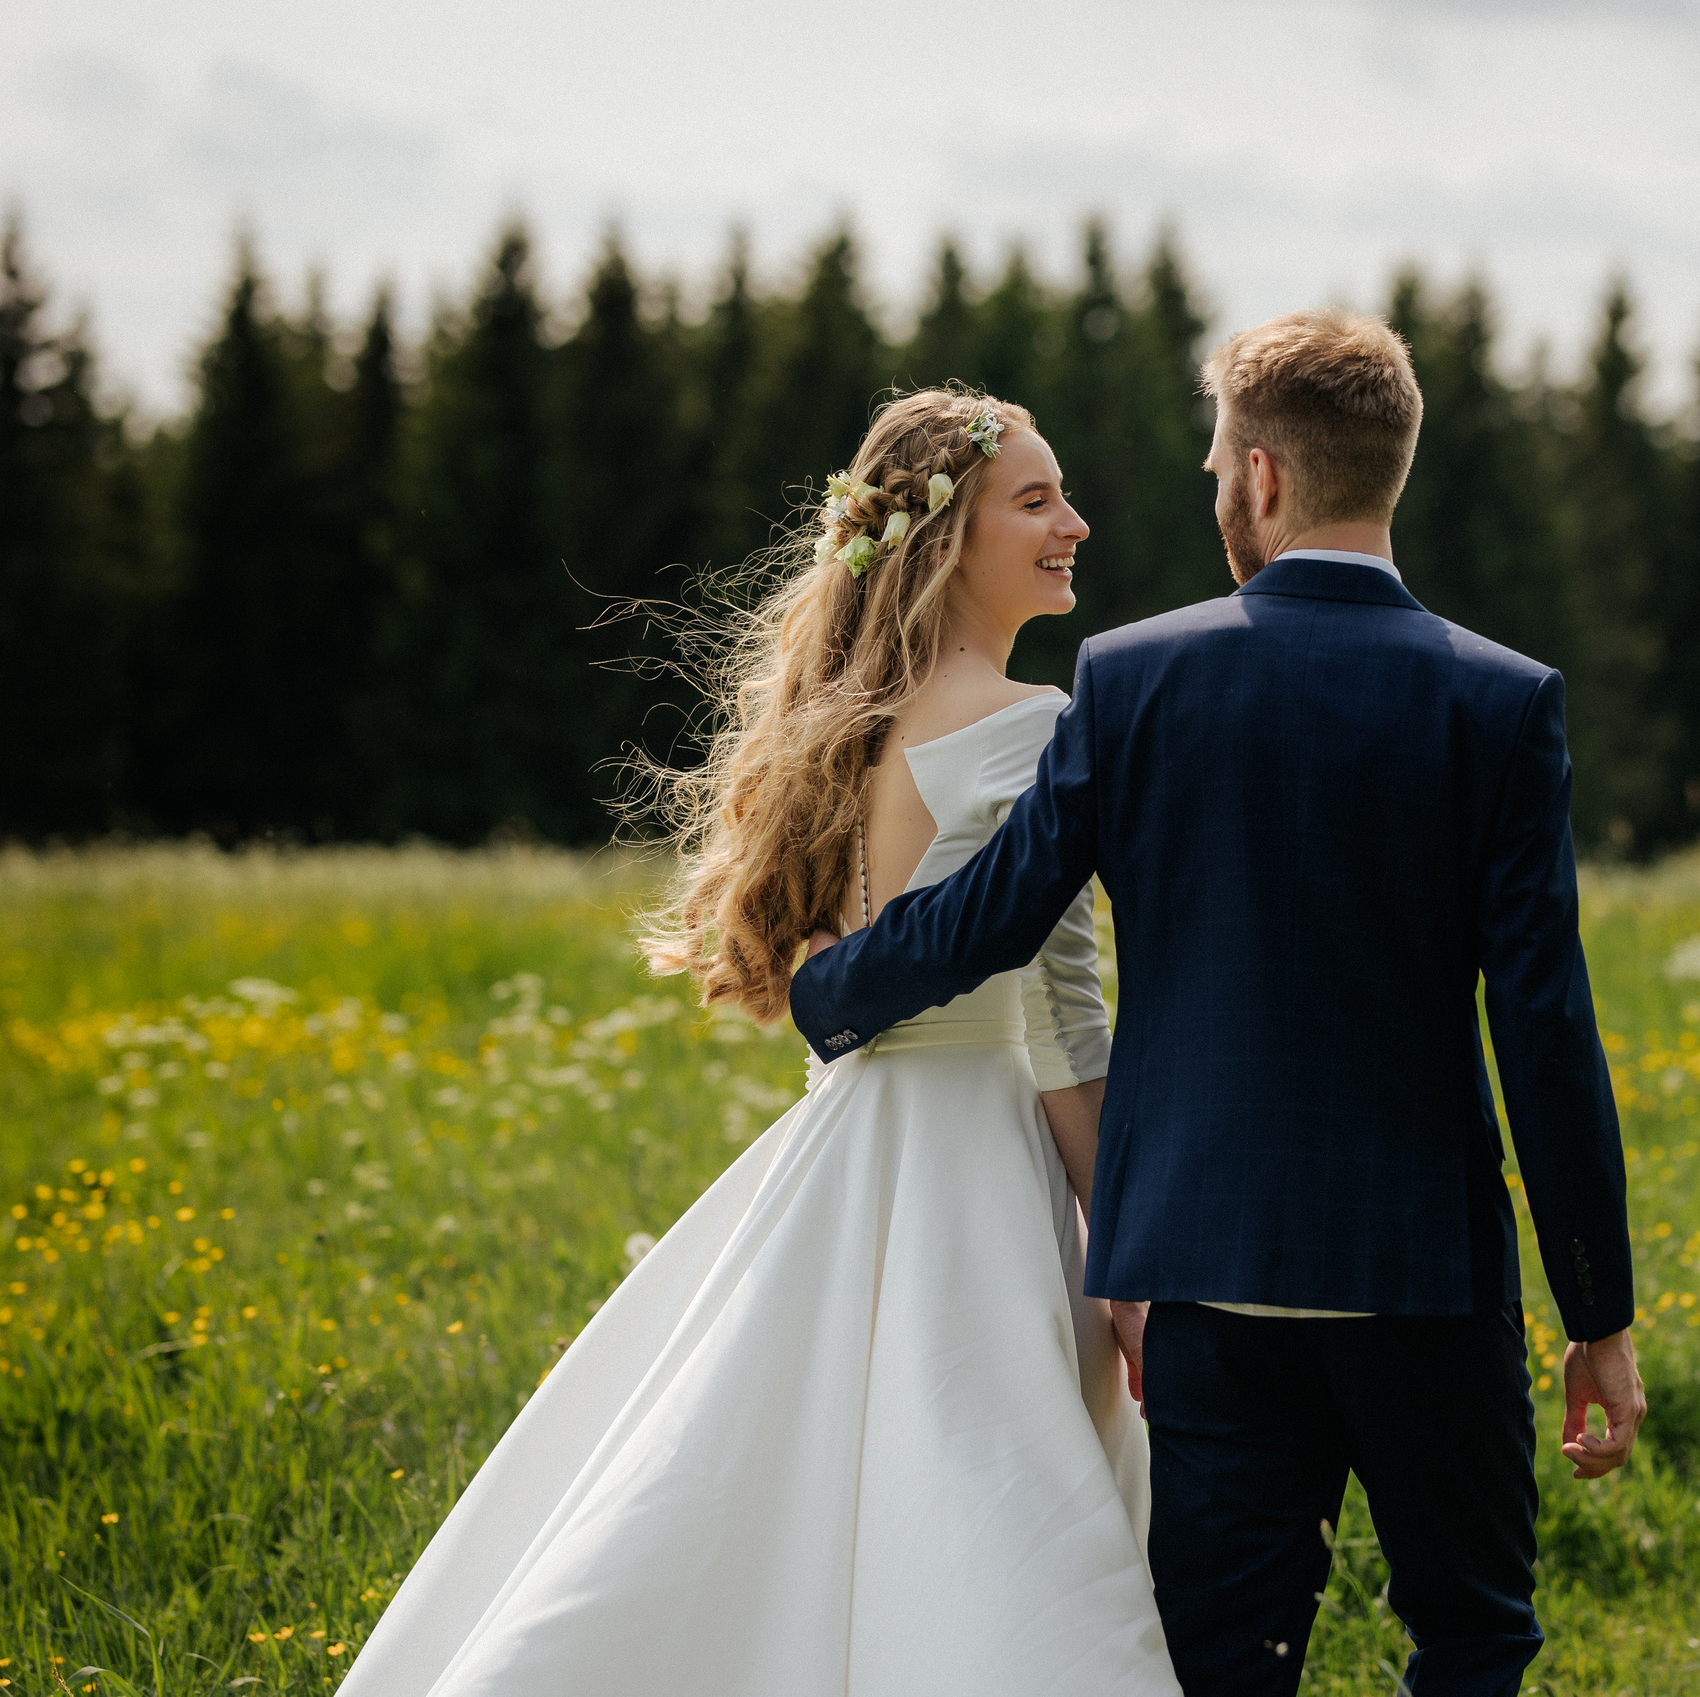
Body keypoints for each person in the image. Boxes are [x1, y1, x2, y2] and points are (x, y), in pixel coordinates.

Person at [792, 309, 1648, 1697]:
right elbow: (1545, 1027)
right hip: (1426, 1279)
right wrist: (1596, 1318)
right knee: (1473, 1640)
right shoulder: (1504, 703)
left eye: (1212, 472)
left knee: (1226, 1663)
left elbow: (994, 915)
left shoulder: (1132, 679)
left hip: (1208, 1274)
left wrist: (828, 991)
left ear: (1260, 476)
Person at [338, 390, 1183, 1697]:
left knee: (774, 1474)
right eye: (1037, 500)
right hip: (979, 1178)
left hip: (837, 1146)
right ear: (948, 535)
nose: (1076, 523)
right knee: (984, 1499)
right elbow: (1068, 1024)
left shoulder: (839, 721)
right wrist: (1124, 1258)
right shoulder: (1030, 731)